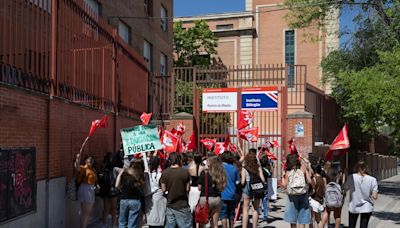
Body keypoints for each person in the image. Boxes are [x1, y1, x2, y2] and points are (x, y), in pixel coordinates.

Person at [281, 153, 314, 228]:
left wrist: (283, 176)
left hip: (292, 196)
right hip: (303, 194)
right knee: (302, 218)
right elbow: (309, 181)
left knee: (293, 219)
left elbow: (284, 185)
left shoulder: (288, 172)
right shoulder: (303, 168)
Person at [160, 152, 192, 228]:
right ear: (179, 159)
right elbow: (187, 189)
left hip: (170, 204)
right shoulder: (185, 172)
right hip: (182, 204)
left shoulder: (165, 173)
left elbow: (163, 189)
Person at [344, 161, 378, 228]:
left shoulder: (351, 177)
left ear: (356, 168)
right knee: (364, 226)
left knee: (351, 225)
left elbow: (345, 188)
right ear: (366, 168)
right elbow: (375, 197)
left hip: (354, 205)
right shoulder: (372, 179)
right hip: (367, 206)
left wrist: (344, 177)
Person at [198, 156, 227, 228]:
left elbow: (199, 188)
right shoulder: (220, 174)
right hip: (216, 198)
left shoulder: (204, 173)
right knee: (215, 224)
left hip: (205, 198)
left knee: (202, 222)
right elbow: (222, 188)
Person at [115, 159, 145, 228]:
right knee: (132, 224)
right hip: (135, 201)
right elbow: (143, 189)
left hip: (124, 200)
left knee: (122, 222)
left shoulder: (125, 174)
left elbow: (116, 186)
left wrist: (120, 174)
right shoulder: (140, 176)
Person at [241, 151, 266, 228]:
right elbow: (263, 180)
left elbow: (243, 181)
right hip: (256, 187)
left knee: (245, 209)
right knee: (255, 209)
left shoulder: (244, 168)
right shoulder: (258, 167)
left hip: (247, 188)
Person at [74, 154, 99, 228]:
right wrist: (77, 159)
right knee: (85, 212)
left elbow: (95, 180)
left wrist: (97, 185)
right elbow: (77, 166)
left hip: (91, 190)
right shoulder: (83, 168)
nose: (91, 161)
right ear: (85, 161)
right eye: (89, 159)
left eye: (92, 159)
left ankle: (84, 226)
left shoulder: (93, 169)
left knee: (88, 212)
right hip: (85, 189)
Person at [220, 151, 240, 228]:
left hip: (222, 194)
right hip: (232, 194)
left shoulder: (220, 168)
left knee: (223, 215)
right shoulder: (234, 168)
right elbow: (238, 182)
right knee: (231, 214)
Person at [144, 156, 166, 228]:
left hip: (149, 197)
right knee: (159, 217)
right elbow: (163, 188)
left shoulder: (146, 174)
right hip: (159, 197)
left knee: (151, 218)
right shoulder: (160, 175)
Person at [98, 152, 118, 228]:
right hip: (112, 190)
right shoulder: (114, 168)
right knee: (113, 209)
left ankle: (105, 223)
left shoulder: (103, 168)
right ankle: (113, 224)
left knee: (106, 208)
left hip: (106, 190)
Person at [260, 155, 272, 224]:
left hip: (260, 186)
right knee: (265, 203)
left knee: (258, 202)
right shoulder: (268, 169)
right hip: (266, 186)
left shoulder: (260, 169)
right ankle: (265, 217)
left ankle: (258, 214)